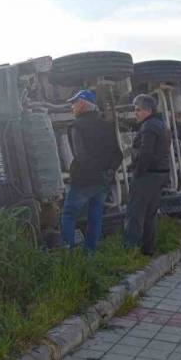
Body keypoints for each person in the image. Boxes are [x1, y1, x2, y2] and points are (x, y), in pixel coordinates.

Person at [61, 89, 123, 252]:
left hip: (84, 180)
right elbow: (118, 154)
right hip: (103, 180)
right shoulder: (106, 124)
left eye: (74, 103)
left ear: (82, 104)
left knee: (69, 213)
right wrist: (108, 172)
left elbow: (81, 156)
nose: (72, 107)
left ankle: (68, 253)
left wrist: (93, 173)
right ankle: (90, 252)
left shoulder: (76, 126)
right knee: (95, 215)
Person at [125, 94, 171, 256]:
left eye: (138, 110)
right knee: (150, 214)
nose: (135, 113)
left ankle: (130, 250)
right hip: (160, 174)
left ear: (148, 110)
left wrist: (137, 172)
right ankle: (148, 249)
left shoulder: (148, 127)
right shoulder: (161, 124)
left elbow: (146, 153)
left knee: (135, 213)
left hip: (148, 175)